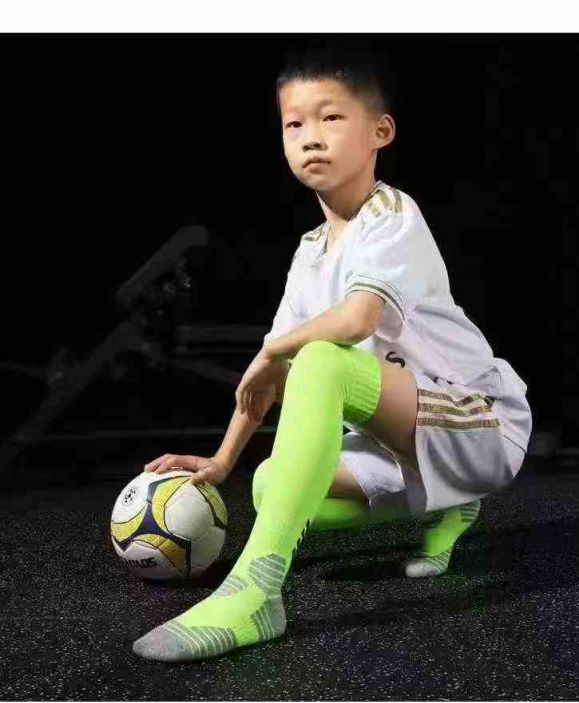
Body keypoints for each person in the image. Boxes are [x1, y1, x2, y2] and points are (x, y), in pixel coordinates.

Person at [133, 44, 532, 662]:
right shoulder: (311, 250)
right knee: (270, 485)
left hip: (478, 423)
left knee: (321, 358)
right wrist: (222, 460)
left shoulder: (393, 216)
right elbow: (269, 379)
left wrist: (276, 350)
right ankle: (451, 505)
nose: (310, 137)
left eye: (331, 117)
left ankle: (255, 593)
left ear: (380, 132)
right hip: (401, 438)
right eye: (294, 124)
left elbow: (355, 320)